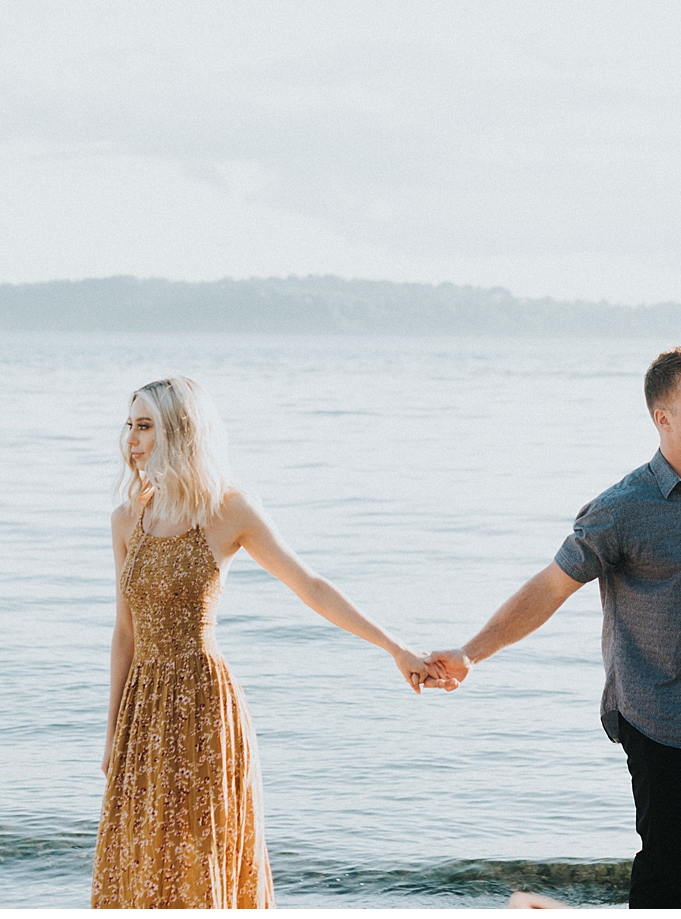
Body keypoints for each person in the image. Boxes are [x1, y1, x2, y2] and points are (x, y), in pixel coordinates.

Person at [424, 347, 681, 909]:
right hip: (661, 718)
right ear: (661, 418)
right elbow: (549, 588)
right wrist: (473, 653)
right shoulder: (622, 507)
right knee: (665, 868)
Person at [92, 376, 436, 908]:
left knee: (199, 855)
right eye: (129, 425)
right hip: (142, 710)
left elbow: (312, 587)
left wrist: (396, 648)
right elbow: (124, 634)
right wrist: (113, 730)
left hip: (203, 702)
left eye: (144, 426)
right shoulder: (126, 518)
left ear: (179, 430)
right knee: (142, 854)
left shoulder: (228, 510)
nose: (130, 439)